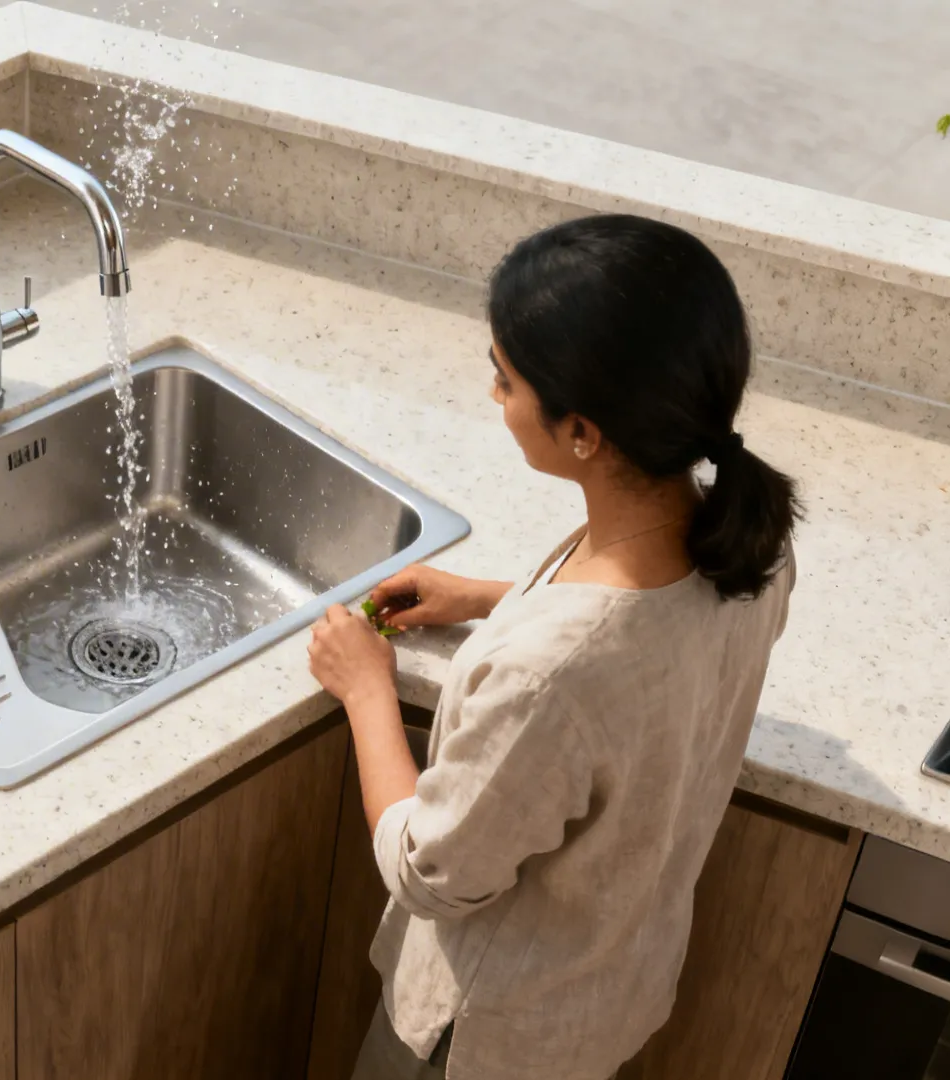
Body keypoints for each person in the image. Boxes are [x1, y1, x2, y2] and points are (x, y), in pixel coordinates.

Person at [305, 215, 800, 1080]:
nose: (495, 399)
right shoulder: (751, 547)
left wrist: (365, 687)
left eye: (505, 381)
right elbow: (646, 649)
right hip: (600, 1006)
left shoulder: (553, 677)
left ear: (582, 432)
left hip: (476, 1042)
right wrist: (492, 599)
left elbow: (430, 872)